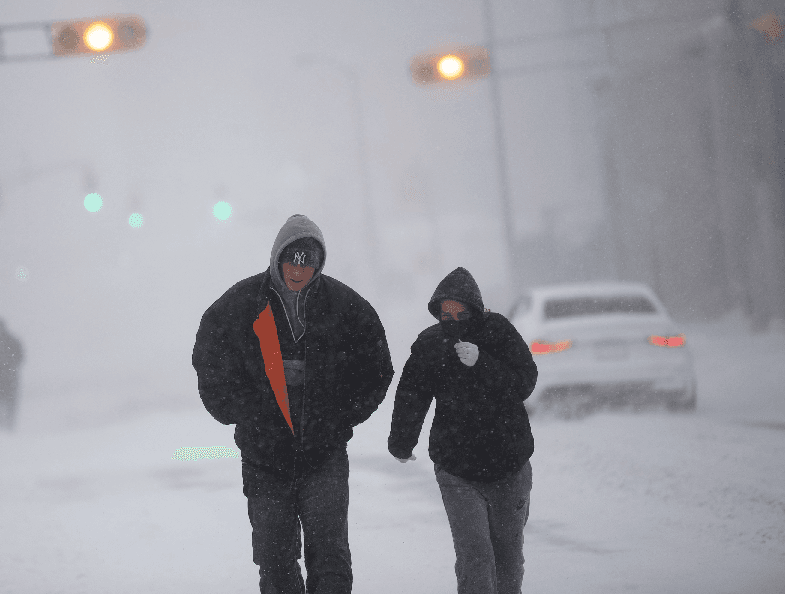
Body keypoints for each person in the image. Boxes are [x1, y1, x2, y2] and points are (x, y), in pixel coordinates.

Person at [193, 214, 393, 594]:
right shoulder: (241, 305)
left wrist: (340, 416)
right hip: (264, 460)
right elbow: (210, 360)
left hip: (324, 456)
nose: (300, 269)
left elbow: (377, 366)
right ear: (277, 258)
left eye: (309, 262)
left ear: (319, 264)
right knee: (275, 563)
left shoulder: (344, 306)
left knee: (330, 560)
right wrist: (246, 412)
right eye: (293, 260)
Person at [388, 266, 537, 594]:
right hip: (457, 468)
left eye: (460, 311)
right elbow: (412, 394)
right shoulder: (430, 344)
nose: (452, 319)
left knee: (507, 555)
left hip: (509, 465)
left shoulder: (498, 331)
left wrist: (482, 361)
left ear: (474, 309)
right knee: (475, 553)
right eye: (445, 313)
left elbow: (525, 381)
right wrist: (401, 441)